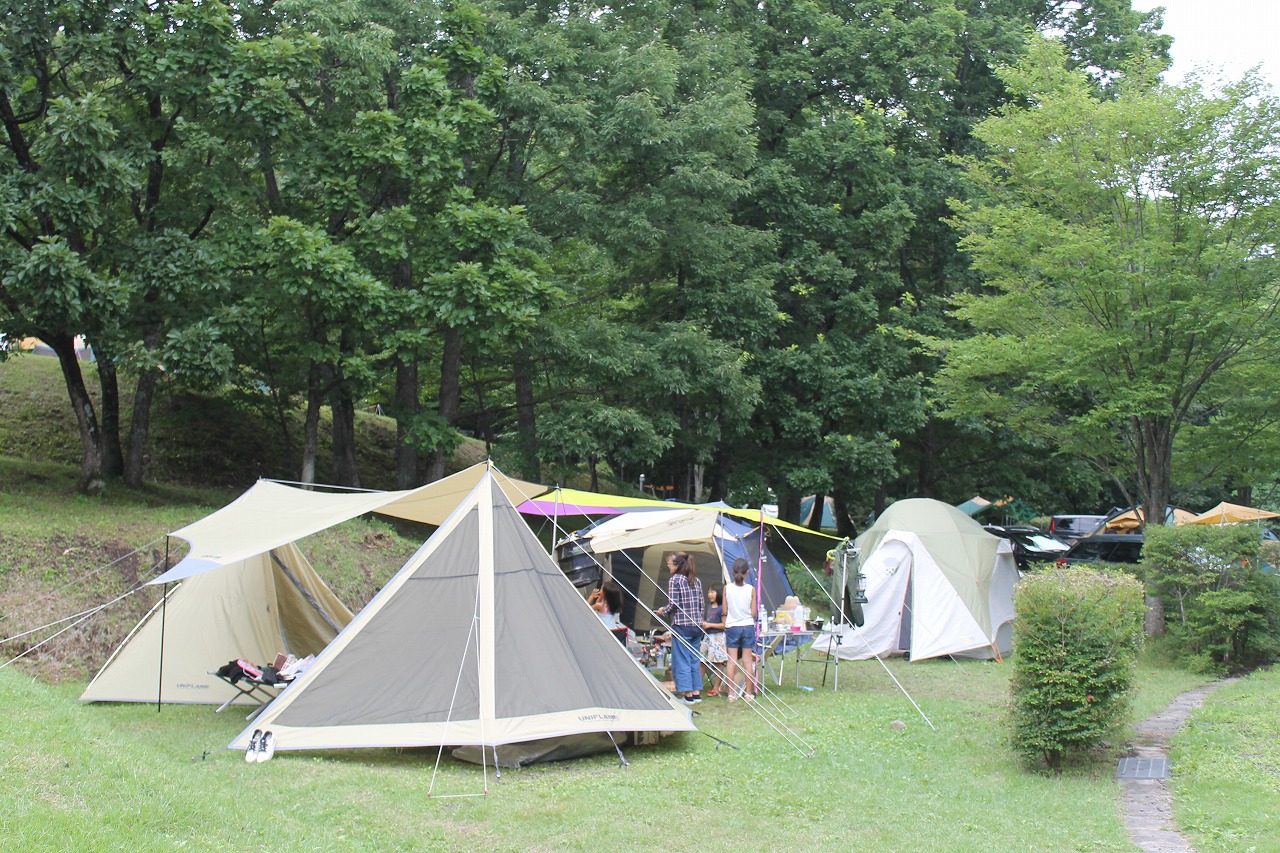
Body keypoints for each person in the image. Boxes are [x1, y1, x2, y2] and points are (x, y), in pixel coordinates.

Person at [657, 551, 704, 705]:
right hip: (697, 626)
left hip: (682, 626)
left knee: (682, 660)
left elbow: (673, 604)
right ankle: (696, 693)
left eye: (669, 565)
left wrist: (663, 611)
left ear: (676, 566)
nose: (668, 567)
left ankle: (688, 695)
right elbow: (701, 605)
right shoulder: (695, 581)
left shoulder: (675, 580)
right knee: (693, 659)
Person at [723, 558, 758, 702]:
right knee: (747, 661)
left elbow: (725, 610)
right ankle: (748, 693)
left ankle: (731, 693)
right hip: (747, 626)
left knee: (731, 661)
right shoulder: (751, 589)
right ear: (747, 572)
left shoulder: (727, 588)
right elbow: (754, 613)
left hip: (732, 626)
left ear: (732, 572)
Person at [700, 585, 728, 696]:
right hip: (707, 637)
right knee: (702, 661)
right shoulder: (709, 607)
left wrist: (709, 624)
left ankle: (716, 688)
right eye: (709, 592)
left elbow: (724, 625)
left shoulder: (722, 608)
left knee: (718, 663)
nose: (710, 595)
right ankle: (697, 685)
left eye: (713, 592)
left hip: (718, 637)